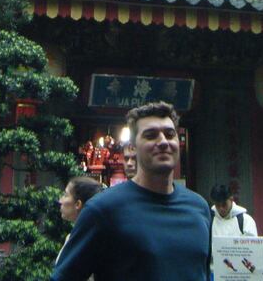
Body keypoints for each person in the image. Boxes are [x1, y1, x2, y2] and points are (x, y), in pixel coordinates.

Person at [51, 102, 211, 281]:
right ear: (133, 147)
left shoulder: (199, 208)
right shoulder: (103, 210)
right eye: (151, 136)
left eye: (169, 134)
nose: (163, 142)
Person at [56, 176, 103, 270]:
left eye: (65, 195)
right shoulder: (74, 236)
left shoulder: (87, 241)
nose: (60, 201)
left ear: (78, 204)